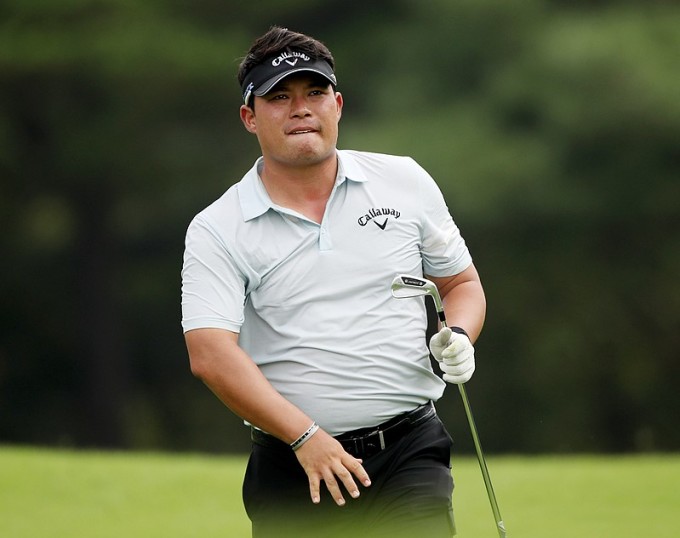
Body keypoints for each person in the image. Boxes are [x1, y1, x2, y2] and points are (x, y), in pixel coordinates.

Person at [181, 26, 486, 538]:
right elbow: (210, 353)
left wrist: (458, 335)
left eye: (315, 92)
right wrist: (305, 437)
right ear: (249, 117)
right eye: (279, 97)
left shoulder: (404, 181)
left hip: (410, 451)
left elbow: (461, 283)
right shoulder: (219, 226)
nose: (301, 109)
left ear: (337, 106)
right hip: (292, 466)